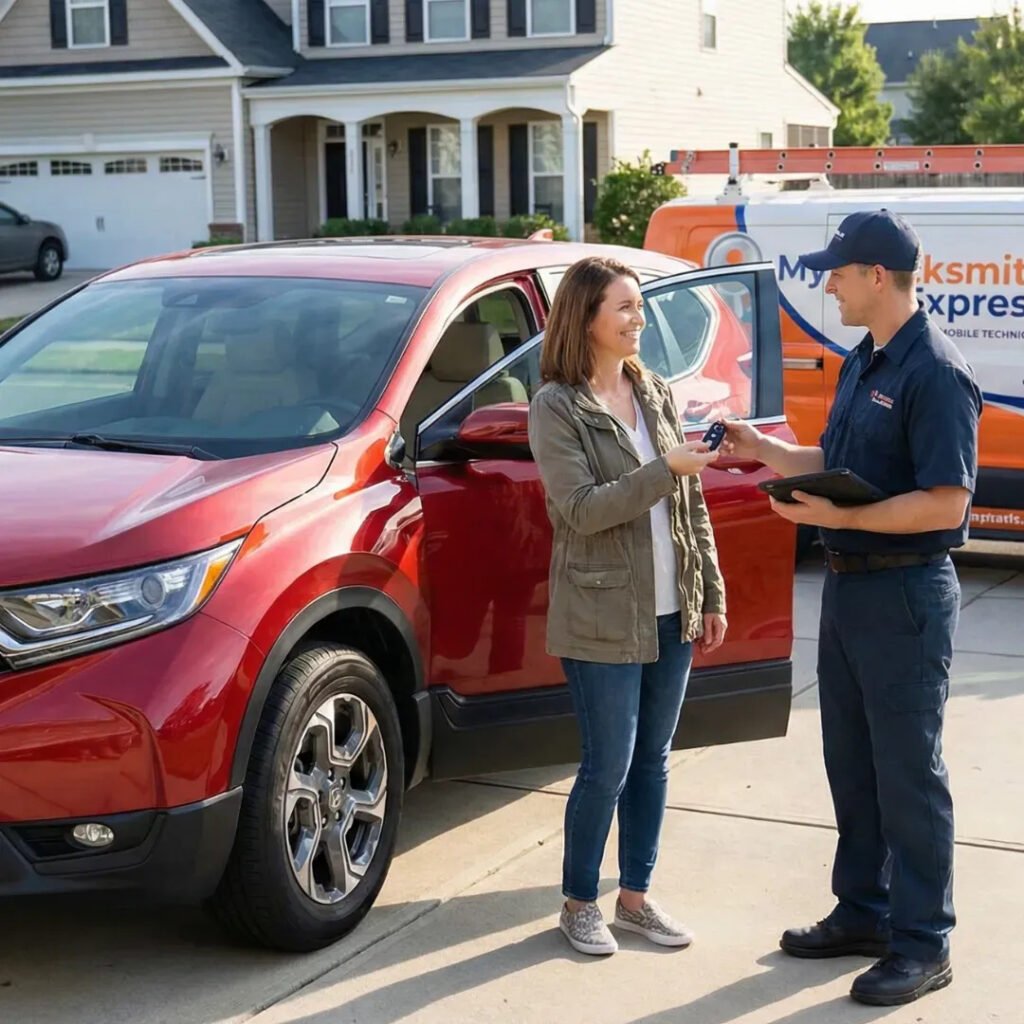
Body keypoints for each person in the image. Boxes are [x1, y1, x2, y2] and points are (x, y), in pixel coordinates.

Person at [723, 210, 983, 1006]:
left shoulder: (935, 372)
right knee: (855, 766)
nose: (826, 282)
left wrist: (841, 520)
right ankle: (864, 913)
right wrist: (763, 450)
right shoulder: (861, 361)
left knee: (909, 775)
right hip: (852, 589)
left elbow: (945, 503)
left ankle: (923, 941)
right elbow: (834, 462)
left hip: (905, 593)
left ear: (878, 276)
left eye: (838, 271)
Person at [528, 256, 728, 956]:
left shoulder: (653, 389)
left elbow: (690, 501)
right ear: (585, 318)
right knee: (606, 764)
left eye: (640, 308)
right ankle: (579, 903)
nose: (640, 320)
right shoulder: (556, 406)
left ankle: (635, 898)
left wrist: (709, 588)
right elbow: (579, 511)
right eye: (626, 308)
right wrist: (661, 470)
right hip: (601, 616)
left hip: (674, 609)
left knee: (653, 761)